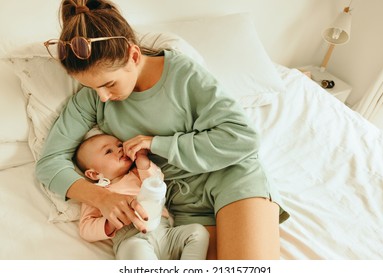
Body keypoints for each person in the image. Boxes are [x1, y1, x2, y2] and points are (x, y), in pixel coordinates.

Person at [37, 0, 289, 259]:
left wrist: (157, 143)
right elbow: (49, 163)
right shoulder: (93, 98)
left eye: (108, 84)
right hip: (181, 204)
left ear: (133, 56)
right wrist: (101, 198)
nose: (101, 96)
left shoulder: (184, 74)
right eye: (92, 87)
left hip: (232, 178)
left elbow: (243, 138)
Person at [74, 133, 209, 260]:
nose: (119, 149)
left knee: (198, 232)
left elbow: (157, 182)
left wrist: (142, 159)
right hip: (131, 238)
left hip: (165, 233)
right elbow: (86, 228)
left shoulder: (138, 173)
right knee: (136, 251)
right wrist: (111, 223)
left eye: (119, 145)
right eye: (108, 151)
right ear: (94, 174)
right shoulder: (97, 192)